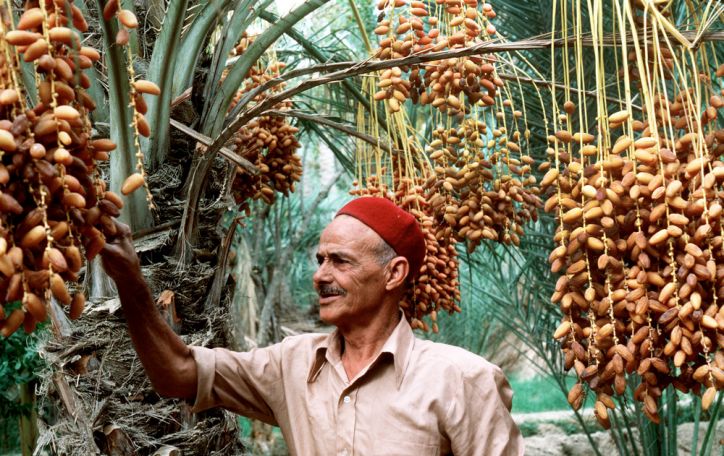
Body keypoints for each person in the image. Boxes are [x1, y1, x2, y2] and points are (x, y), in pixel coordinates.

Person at [100, 197, 524, 455]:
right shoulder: (292, 365)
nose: (321, 275)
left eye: (340, 261)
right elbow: (177, 373)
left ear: (394, 274)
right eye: (320, 260)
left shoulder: (463, 380)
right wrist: (131, 282)